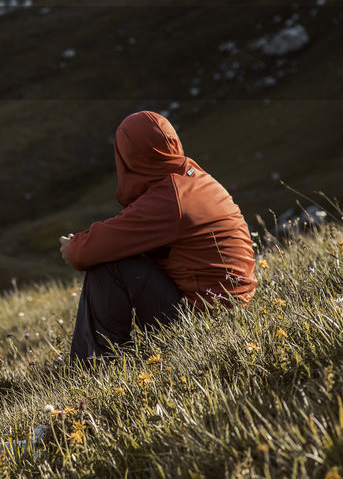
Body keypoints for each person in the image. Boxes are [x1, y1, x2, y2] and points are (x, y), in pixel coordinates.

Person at [59, 110, 257, 361]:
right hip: (229, 312)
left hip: (205, 322)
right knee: (123, 254)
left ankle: (96, 365)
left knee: (108, 265)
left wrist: (71, 245)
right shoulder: (193, 180)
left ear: (128, 156)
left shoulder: (170, 198)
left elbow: (84, 252)